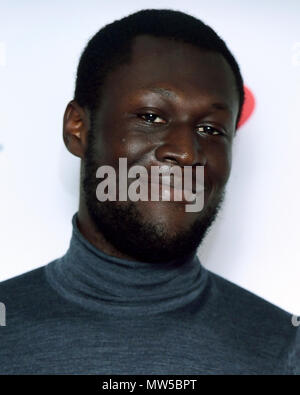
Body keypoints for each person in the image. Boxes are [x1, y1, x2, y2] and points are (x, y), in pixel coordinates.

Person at [0, 8, 297, 375]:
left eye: (211, 129)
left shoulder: (284, 349)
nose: (186, 152)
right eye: (151, 117)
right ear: (78, 128)